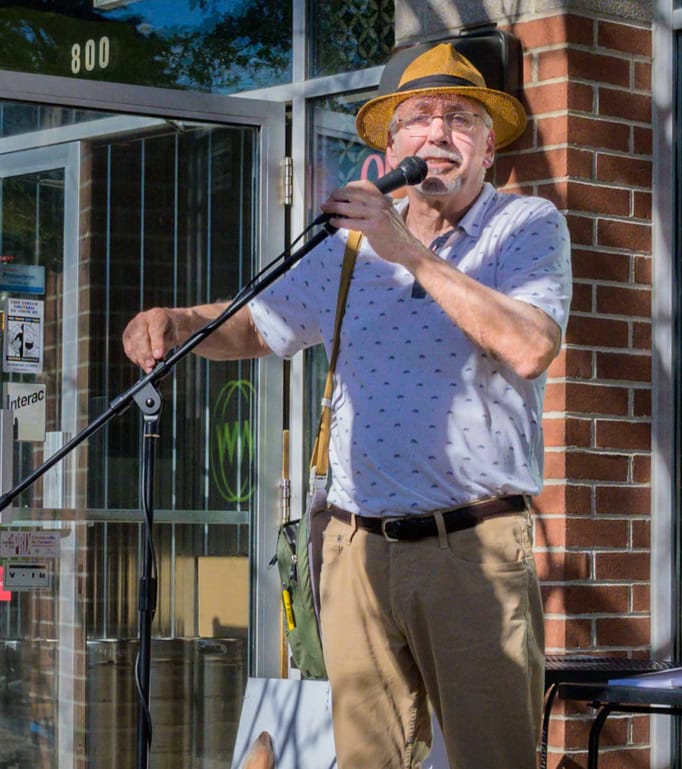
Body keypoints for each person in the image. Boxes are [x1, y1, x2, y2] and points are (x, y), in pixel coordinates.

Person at [122, 43, 571, 769]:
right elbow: (259, 326)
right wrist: (180, 323)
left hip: (472, 551)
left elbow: (530, 346)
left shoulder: (524, 225)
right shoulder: (350, 246)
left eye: (460, 119)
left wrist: (410, 251)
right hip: (355, 547)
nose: (438, 132)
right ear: (392, 148)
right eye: (419, 117)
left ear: (489, 148)